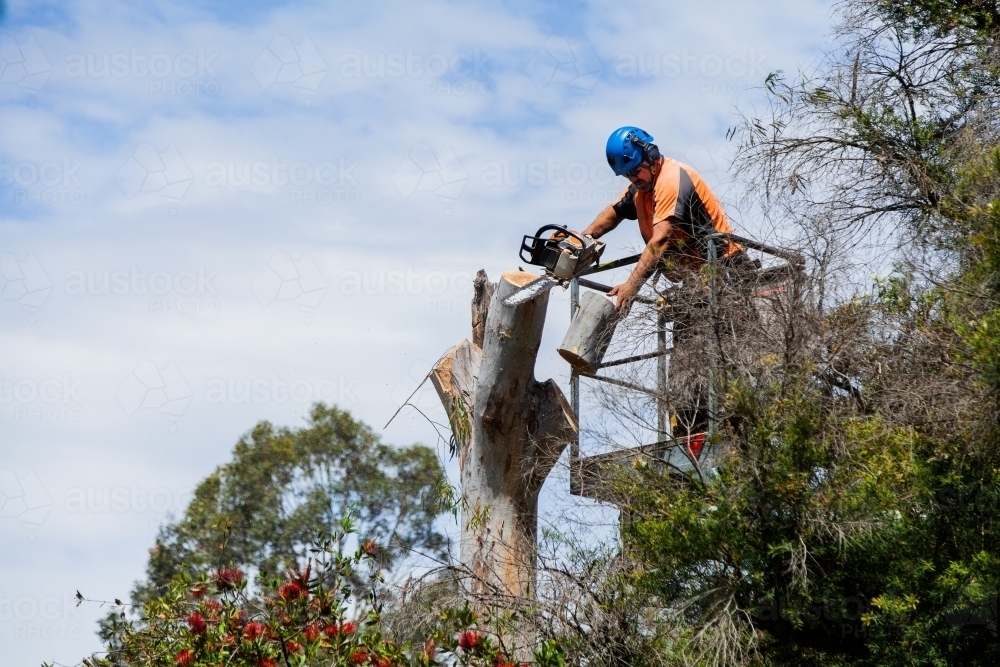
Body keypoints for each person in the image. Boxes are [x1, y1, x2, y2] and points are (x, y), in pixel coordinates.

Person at [581, 126, 745, 311]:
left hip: (723, 266)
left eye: (635, 171)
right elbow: (614, 212)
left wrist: (631, 285)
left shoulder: (671, 178)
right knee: (685, 335)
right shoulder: (640, 187)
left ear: (650, 155)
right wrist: (584, 238)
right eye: (627, 174)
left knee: (711, 331)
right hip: (697, 275)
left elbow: (661, 240)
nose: (633, 178)